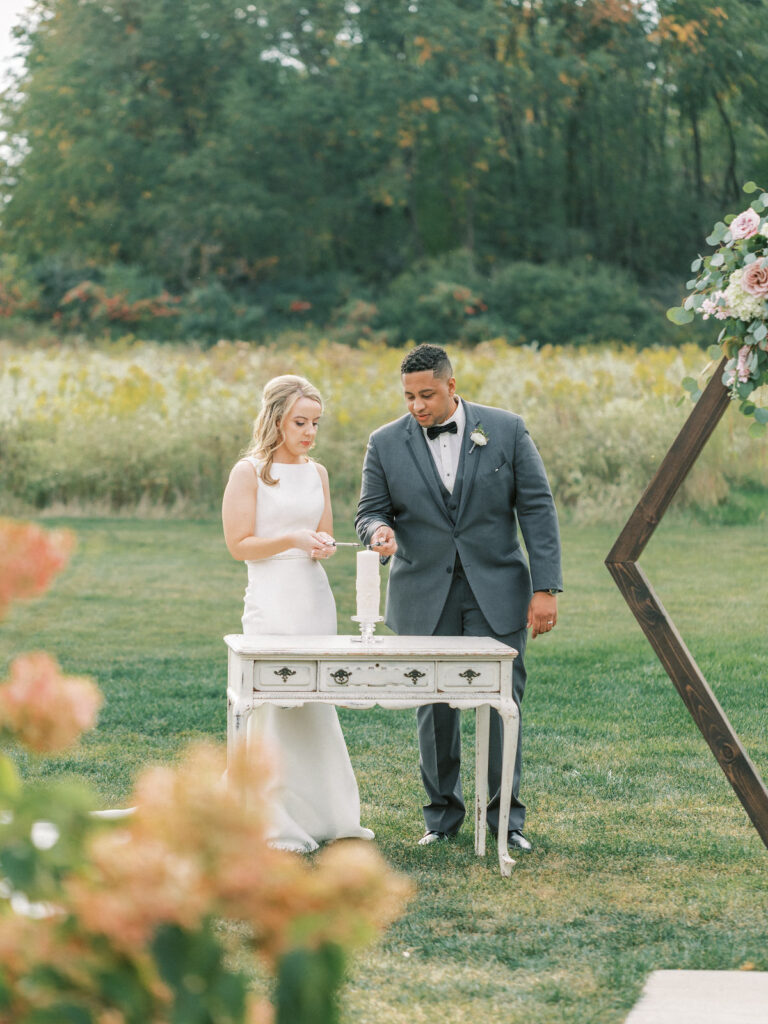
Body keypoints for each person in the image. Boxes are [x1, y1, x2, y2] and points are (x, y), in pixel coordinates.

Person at [355, 344, 561, 851]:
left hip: (498, 591)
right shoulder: (384, 443)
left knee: (501, 703)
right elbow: (368, 512)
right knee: (433, 705)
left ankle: (505, 823)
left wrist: (545, 587)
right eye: (408, 396)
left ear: (452, 386)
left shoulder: (506, 429)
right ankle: (441, 819)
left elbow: (536, 508)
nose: (417, 405)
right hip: (423, 592)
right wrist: (378, 531)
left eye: (426, 394)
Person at [222, 374, 374, 852]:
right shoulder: (250, 472)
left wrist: (323, 545)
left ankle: (327, 814)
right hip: (271, 598)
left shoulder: (318, 472)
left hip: (313, 597)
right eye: (300, 422)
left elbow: (322, 532)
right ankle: (269, 816)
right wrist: (292, 539)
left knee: (314, 700)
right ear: (276, 420)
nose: (309, 432)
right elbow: (238, 545)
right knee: (274, 702)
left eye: (315, 423)